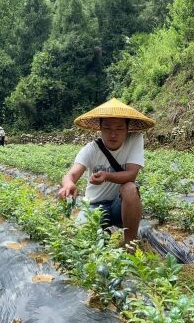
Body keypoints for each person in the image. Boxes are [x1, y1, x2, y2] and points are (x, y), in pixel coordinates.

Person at [58, 98, 155, 247]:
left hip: (120, 206)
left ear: (128, 129)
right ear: (100, 128)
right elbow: (71, 175)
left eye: (119, 128)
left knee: (129, 188)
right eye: (108, 128)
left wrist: (107, 176)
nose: (113, 134)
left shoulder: (135, 139)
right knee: (81, 242)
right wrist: (68, 185)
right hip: (95, 206)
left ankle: (130, 245)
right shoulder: (91, 149)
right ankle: (102, 233)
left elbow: (132, 174)